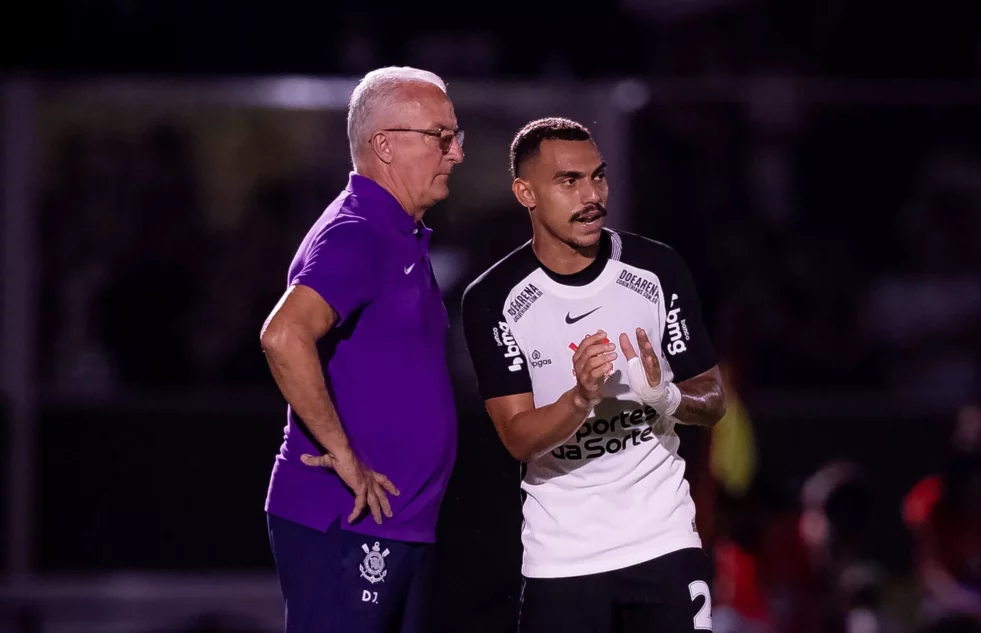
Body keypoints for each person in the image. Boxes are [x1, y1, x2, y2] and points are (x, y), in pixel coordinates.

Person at [461, 117, 727, 633]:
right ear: (525, 193)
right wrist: (579, 397)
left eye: (598, 177)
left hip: (664, 539)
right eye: (569, 181)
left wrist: (666, 397)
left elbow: (713, 398)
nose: (592, 195)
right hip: (563, 558)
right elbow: (517, 438)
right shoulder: (494, 299)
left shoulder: (657, 269)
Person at [260, 66, 464, 633]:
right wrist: (343, 455)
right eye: (441, 137)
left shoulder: (398, 233)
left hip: (394, 525)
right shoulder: (358, 233)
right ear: (385, 146)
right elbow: (283, 335)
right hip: (348, 524)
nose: (457, 153)